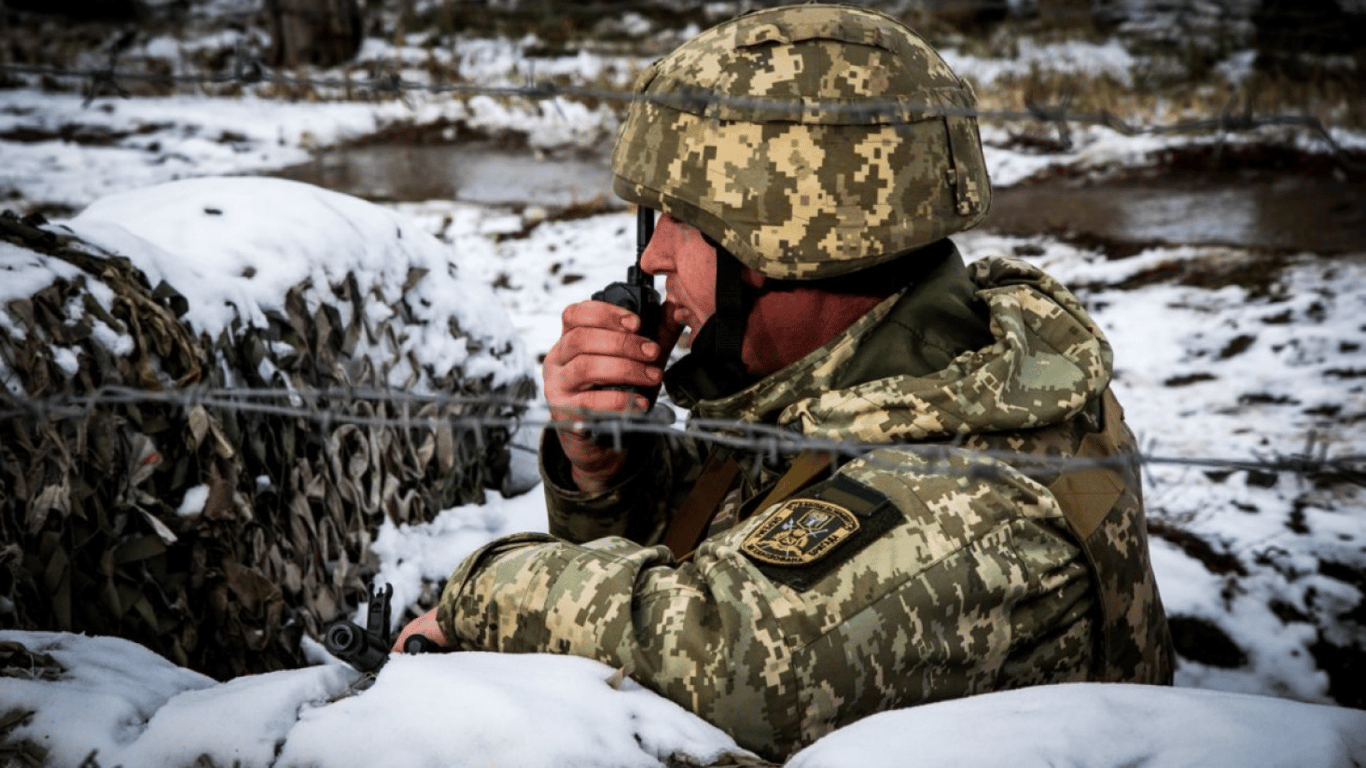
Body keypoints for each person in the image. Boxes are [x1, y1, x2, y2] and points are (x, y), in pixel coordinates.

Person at [394, 4, 1173, 760]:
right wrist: (606, 469)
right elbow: (708, 553)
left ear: (784, 246)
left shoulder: (972, 493)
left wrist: (481, 593)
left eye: (677, 220)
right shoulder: (850, 382)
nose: (656, 258)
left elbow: (722, 660)